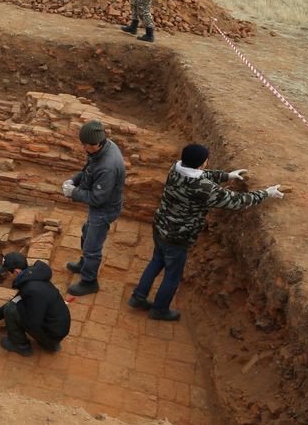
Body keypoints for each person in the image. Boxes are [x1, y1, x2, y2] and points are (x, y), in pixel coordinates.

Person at [129, 144, 286, 321]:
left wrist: (227, 176)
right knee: (172, 276)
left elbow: (202, 174)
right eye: (205, 161)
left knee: (156, 261)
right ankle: (159, 310)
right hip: (178, 237)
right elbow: (237, 201)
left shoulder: (176, 168)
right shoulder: (203, 188)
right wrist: (266, 193)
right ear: (202, 163)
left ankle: (138, 297)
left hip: (160, 226)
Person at [63, 120, 126, 296]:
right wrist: (74, 180)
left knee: (92, 247)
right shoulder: (103, 147)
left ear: (97, 144)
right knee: (86, 231)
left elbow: (98, 199)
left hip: (105, 209)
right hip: (101, 206)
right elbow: (89, 169)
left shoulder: (107, 167)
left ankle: (89, 281)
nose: (84, 148)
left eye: (86, 145)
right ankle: (84, 263)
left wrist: (73, 192)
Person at [0, 252, 71, 356]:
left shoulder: (31, 290)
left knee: (10, 309)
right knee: (14, 304)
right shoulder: (33, 277)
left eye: (7, 273)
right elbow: (18, 299)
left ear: (16, 272)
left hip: (53, 333)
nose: (6, 276)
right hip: (58, 326)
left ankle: (21, 345)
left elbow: (33, 322)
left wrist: (18, 306)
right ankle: (51, 343)